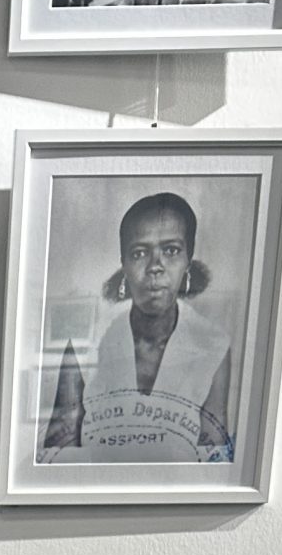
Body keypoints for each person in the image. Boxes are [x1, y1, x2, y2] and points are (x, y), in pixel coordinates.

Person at [39, 192, 233, 465]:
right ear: (124, 264)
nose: (155, 267)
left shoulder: (213, 345)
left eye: (171, 251)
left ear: (188, 261)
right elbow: (56, 453)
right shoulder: (88, 340)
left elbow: (216, 457)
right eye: (140, 253)